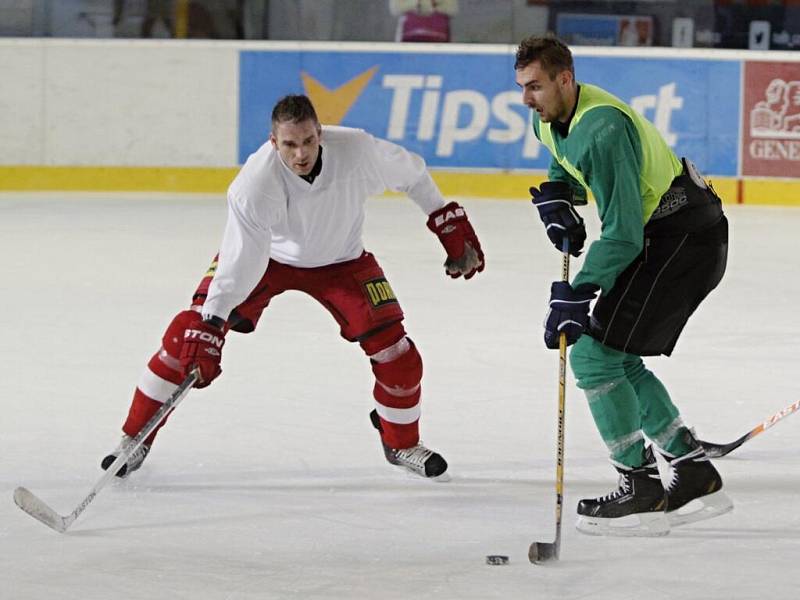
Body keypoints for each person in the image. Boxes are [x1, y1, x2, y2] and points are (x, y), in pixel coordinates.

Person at [101, 94, 484, 481]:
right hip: (268, 261)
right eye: (289, 144)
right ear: (273, 142)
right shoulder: (253, 184)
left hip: (342, 262)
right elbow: (242, 259)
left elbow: (413, 174)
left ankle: (401, 442)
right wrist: (213, 321)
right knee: (187, 336)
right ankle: (133, 438)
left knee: (399, 356)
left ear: (320, 134)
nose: (301, 153)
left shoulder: (357, 149)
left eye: (308, 141)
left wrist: (441, 215)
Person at [514, 36, 733, 536]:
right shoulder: (547, 115)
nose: (527, 98)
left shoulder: (604, 128)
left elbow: (622, 233)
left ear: (565, 79)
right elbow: (561, 154)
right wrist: (556, 195)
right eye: (522, 87)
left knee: (592, 354)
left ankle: (640, 484)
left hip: (683, 240)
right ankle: (693, 469)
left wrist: (579, 291)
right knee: (614, 353)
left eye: (536, 86)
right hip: (666, 234)